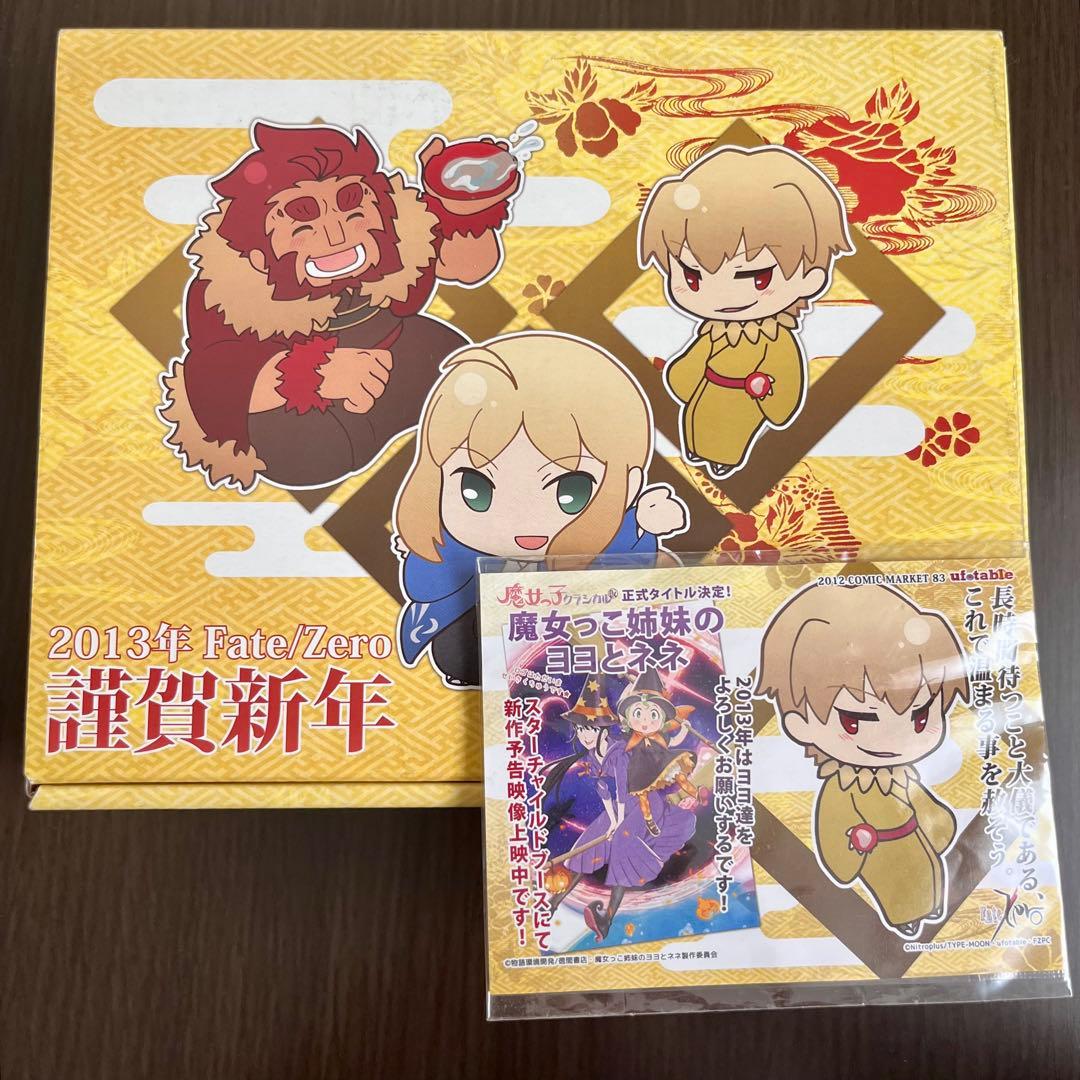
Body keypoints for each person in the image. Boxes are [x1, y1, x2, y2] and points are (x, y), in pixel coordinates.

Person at [393, 332, 689, 687]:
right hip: (476, 641)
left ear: (630, 485)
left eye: (571, 492)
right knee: (459, 647)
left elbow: (627, 574)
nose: (524, 521)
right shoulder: (453, 549)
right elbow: (426, 585)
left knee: (589, 640)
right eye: (476, 490)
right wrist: (425, 545)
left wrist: (643, 525)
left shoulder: (610, 539)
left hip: (569, 641)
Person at [757, 582, 969, 937]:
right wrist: (856, 845)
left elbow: (925, 808)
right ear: (799, 724)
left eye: (920, 718)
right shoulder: (843, 787)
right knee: (898, 892)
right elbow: (834, 839)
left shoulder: (900, 776)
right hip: (880, 853)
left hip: (915, 844)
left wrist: (939, 824)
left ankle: (929, 908)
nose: (889, 739)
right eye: (854, 721)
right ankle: (906, 919)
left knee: (926, 879)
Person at [638, 144, 852, 478]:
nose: (723, 296)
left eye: (756, 276)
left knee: (727, 440)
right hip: (704, 401)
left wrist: (763, 390)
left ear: (810, 278)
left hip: (742, 406)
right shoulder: (713, 332)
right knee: (699, 430)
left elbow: (784, 401)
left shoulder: (775, 340)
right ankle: (700, 453)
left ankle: (723, 461)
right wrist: (679, 376)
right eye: (692, 277)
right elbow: (684, 377)